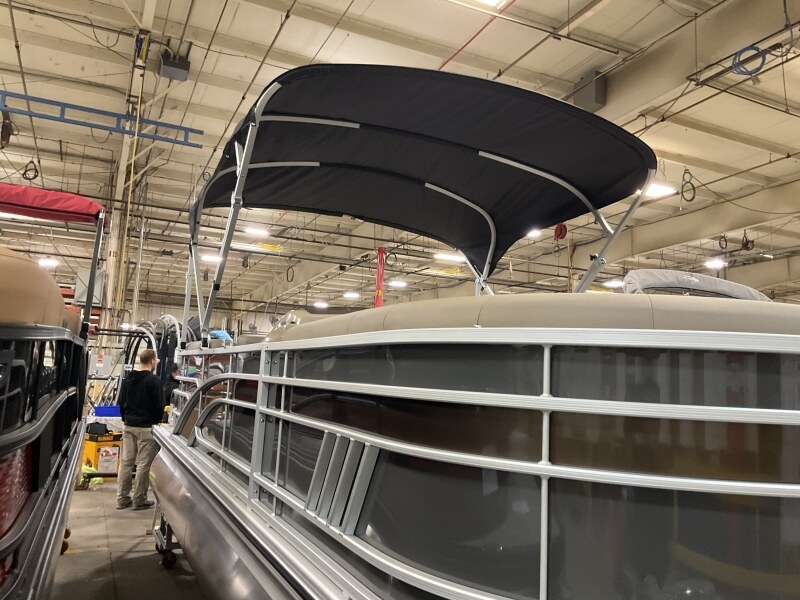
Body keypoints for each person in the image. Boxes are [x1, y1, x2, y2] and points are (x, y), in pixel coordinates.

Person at [116, 348, 164, 510]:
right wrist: (156, 421)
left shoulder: (128, 379)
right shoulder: (154, 381)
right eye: (156, 360)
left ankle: (122, 498)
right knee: (144, 464)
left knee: (126, 462)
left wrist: (126, 418)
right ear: (152, 361)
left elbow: (121, 402)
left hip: (128, 426)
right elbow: (159, 406)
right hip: (146, 428)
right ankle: (139, 499)